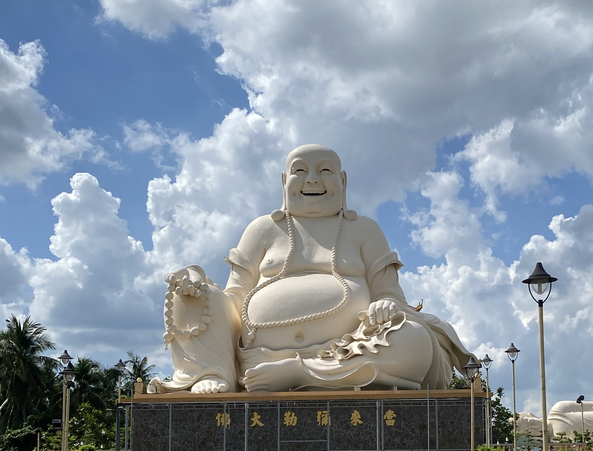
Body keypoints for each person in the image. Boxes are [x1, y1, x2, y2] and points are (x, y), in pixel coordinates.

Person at [152, 145, 473, 393]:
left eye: (325, 170)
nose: (313, 180)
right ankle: (212, 372)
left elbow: (389, 293)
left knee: (414, 340)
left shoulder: (364, 229)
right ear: (284, 181)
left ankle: (300, 373)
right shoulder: (262, 229)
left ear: (342, 181)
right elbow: (234, 297)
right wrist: (197, 284)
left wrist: (384, 303)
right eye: (300, 171)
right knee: (188, 293)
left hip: (350, 351)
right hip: (257, 357)